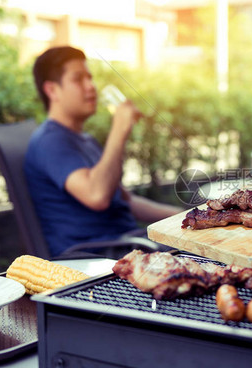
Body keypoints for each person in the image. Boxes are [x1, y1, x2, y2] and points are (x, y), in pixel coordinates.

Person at [25, 46, 182, 258]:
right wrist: (119, 128)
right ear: (52, 90)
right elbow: (97, 196)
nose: (91, 87)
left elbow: (127, 201)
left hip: (128, 244)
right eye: (78, 79)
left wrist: (184, 218)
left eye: (90, 78)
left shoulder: (86, 140)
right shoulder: (50, 141)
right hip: (97, 256)